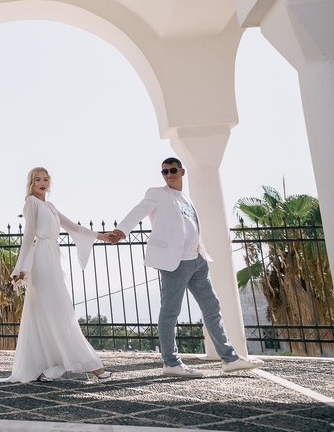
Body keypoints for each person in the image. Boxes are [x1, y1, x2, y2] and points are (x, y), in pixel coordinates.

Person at [108, 157, 265, 377]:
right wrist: (121, 231)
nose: (168, 174)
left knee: (212, 308)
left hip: (198, 260)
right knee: (170, 311)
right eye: (164, 172)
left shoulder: (186, 199)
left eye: (172, 170)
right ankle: (171, 363)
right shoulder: (157, 193)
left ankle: (229, 359)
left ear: (182, 172)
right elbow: (138, 211)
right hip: (175, 262)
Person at [3, 166, 115, 383]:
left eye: (45, 179)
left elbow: (73, 227)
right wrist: (19, 269)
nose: (42, 183)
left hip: (52, 256)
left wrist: (102, 236)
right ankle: (94, 367)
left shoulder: (50, 206)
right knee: (60, 312)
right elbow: (28, 238)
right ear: (31, 183)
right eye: (38, 179)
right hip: (42, 259)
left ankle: (50, 368)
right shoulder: (31, 203)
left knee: (51, 312)